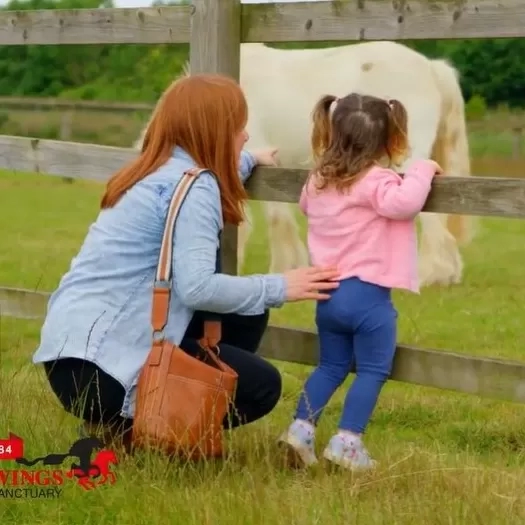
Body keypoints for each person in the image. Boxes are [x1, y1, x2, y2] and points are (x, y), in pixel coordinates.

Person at [33, 73, 340, 449]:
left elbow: (202, 175)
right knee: (261, 386)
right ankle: (145, 427)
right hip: (106, 372)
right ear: (212, 131)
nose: (245, 135)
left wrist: (245, 160)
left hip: (70, 361)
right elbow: (197, 288)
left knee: (247, 312)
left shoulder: (151, 169)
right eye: (238, 127)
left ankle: (121, 424)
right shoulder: (196, 187)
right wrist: (281, 286)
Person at [277, 93, 443, 470]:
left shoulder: (318, 180)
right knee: (372, 370)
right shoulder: (377, 181)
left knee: (330, 367)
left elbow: (305, 204)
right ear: (387, 139)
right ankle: (347, 441)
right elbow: (405, 203)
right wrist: (423, 168)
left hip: (328, 296)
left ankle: (300, 430)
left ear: (332, 133)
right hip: (368, 297)